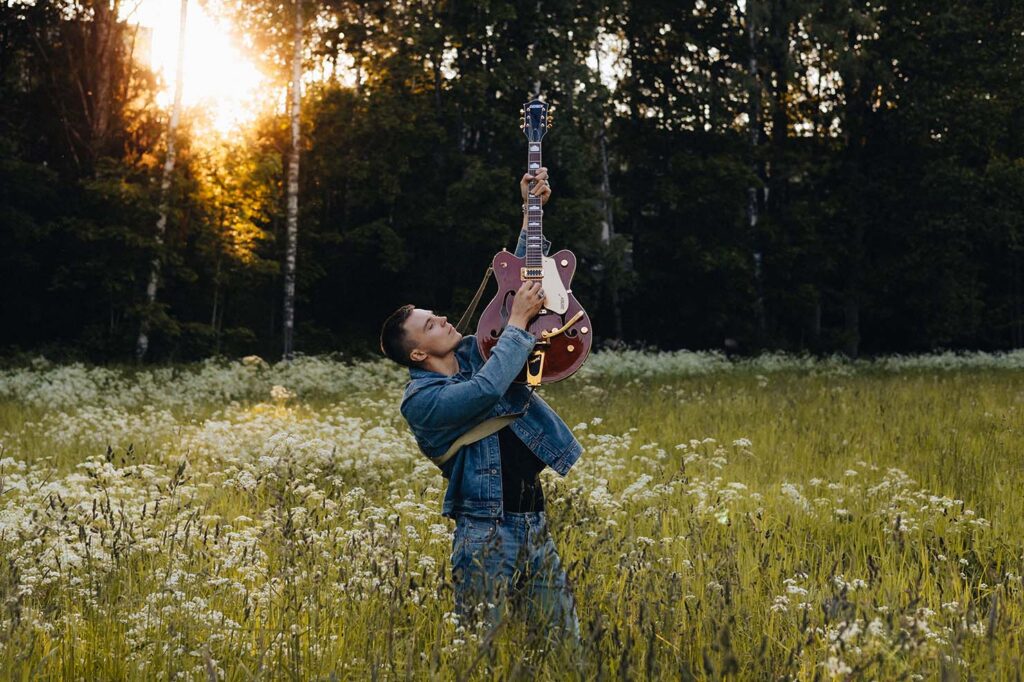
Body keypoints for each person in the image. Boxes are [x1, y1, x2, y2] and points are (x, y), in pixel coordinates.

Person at [378, 167, 583, 650]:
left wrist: (531, 213)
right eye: (430, 324)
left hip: (534, 519)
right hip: (484, 530)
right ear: (417, 354)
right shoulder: (422, 402)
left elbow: (516, 287)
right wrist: (516, 323)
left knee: (564, 645)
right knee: (477, 650)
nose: (444, 319)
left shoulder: (480, 348)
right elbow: (488, 390)